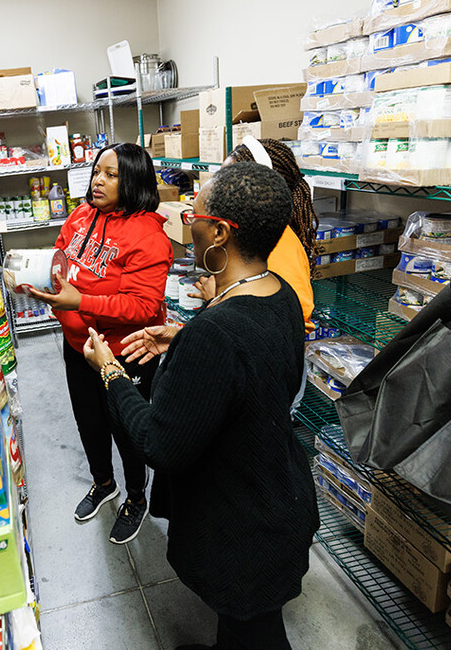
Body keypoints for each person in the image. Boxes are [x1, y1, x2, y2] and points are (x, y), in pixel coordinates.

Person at [82, 162, 320, 649]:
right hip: (278, 494)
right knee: (246, 625)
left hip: (242, 527)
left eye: (194, 211)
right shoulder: (282, 298)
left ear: (219, 232)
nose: (186, 219)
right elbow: (249, 374)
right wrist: (184, 339)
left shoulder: (217, 332)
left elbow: (157, 443)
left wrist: (110, 372)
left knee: (256, 632)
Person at [27, 142, 172, 545]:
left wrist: (81, 300)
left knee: (127, 430)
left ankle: (136, 497)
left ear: (134, 181)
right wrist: (40, 273)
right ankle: (103, 482)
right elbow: (62, 251)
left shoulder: (149, 236)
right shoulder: (81, 215)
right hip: (78, 346)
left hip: (124, 353)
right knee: (89, 422)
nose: (98, 181)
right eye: (96, 172)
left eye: (111, 174)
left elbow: (144, 307)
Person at [194, 136, 316, 333]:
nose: (219, 188)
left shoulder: (279, 243)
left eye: (229, 179)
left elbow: (295, 321)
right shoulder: (247, 232)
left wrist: (216, 300)